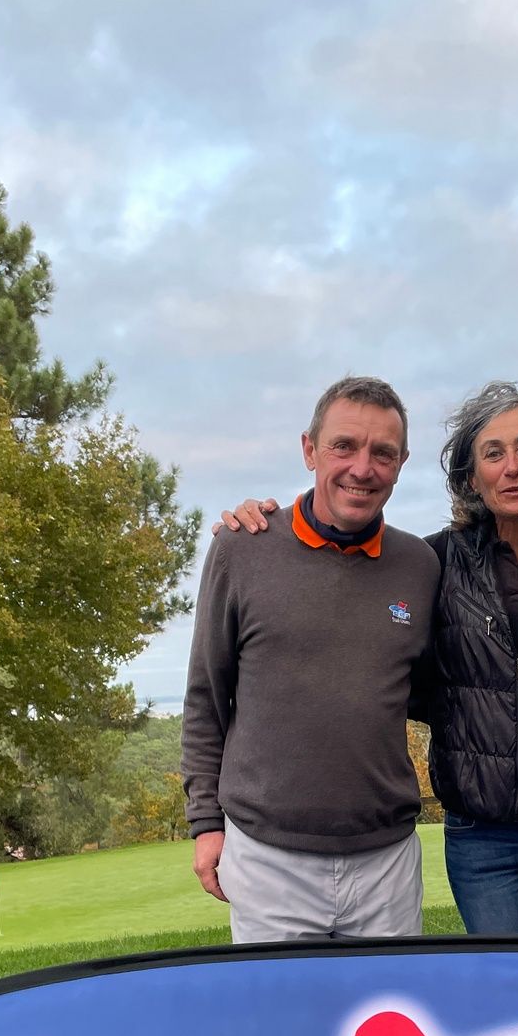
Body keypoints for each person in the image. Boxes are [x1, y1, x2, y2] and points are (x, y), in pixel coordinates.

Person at [218, 382, 518, 934]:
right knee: (502, 980)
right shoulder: (436, 561)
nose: (512, 467)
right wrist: (267, 529)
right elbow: (401, 673)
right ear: (471, 477)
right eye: (493, 453)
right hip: (480, 828)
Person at [180, 375, 439, 943]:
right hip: (267, 860)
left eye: (383, 453)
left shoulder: (420, 565)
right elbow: (205, 697)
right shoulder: (241, 547)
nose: (362, 468)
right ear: (309, 450)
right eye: (344, 446)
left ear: (401, 464)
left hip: (387, 863)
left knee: (388, 1003)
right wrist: (205, 823)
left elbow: (426, 691)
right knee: (279, 1006)